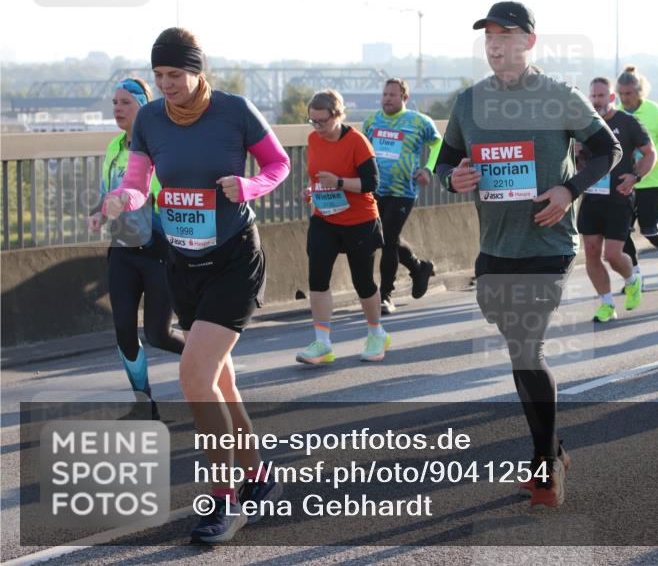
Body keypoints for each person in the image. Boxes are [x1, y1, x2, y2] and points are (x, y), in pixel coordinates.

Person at [105, 27, 290, 543]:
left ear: (197, 70)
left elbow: (279, 163)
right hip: (183, 263)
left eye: (175, 74)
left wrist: (249, 185)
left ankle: (224, 501)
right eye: (159, 75)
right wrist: (124, 199)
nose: (166, 84)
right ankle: (256, 475)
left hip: (234, 261)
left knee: (194, 377)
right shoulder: (149, 119)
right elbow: (139, 184)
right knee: (220, 381)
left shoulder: (234, 110)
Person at [434, 1, 621, 509]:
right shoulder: (470, 102)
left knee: (525, 348)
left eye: (506, 35)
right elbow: (444, 163)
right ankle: (556, 450)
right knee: (512, 333)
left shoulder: (558, 95)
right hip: (495, 247)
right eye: (489, 36)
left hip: (547, 244)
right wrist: (453, 179)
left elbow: (608, 151)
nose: (495, 44)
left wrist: (568, 192)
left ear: (529, 42)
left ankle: (544, 468)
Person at [87, 77, 185, 420]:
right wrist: (99, 214)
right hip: (123, 250)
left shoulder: (161, 147)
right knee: (124, 331)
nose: (117, 108)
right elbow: (107, 193)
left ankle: (209, 366)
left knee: (158, 334)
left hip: (159, 250)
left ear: (144, 106)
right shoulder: (114, 147)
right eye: (114, 102)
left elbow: (170, 194)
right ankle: (145, 405)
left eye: (125, 102)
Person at [297, 90, 390, 365]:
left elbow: (372, 183)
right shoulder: (313, 139)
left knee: (363, 281)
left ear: (338, 116)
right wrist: (311, 190)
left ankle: (376, 334)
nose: (317, 127)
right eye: (312, 121)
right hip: (324, 217)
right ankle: (322, 343)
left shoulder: (357, 142)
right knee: (317, 277)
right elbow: (318, 177)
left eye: (322, 121)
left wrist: (338, 182)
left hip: (359, 220)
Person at [577, 77, 655, 322]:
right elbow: (579, 163)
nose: (597, 100)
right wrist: (576, 153)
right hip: (591, 197)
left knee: (612, 254)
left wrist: (635, 176)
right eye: (594, 96)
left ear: (612, 98)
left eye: (602, 96)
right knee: (591, 251)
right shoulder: (584, 126)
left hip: (619, 197)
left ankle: (632, 279)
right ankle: (607, 303)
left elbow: (649, 153)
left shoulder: (627, 122)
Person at [362, 78, 440, 315]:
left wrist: (428, 168)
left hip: (403, 190)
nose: (387, 98)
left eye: (393, 95)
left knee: (388, 239)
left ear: (404, 98)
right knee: (383, 237)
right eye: (385, 94)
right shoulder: (372, 121)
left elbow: (438, 144)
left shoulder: (419, 122)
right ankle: (418, 268)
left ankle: (385, 296)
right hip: (375, 189)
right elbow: (361, 150)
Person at [616, 66, 658, 284]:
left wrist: (649, 159)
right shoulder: (616, 112)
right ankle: (635, 277)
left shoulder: (653, 110)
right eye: (622, 94)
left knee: (650, 230)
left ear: (639, 92)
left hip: (650, 182)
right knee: (622, 233)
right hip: (624, 184)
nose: (625, 98)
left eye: (630, 93)